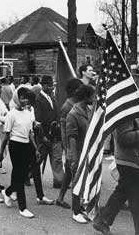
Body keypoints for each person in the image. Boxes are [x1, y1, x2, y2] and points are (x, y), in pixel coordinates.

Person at [93, 75, 139, 235]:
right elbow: (124, 137)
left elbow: (137, 128)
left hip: (132, 158)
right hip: (130, 160)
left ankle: (103, 220)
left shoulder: (134, 107)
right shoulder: (126, 110)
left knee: (122, 191)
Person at [0, 87, 40, 218]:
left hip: (27, 145)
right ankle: (23, 208)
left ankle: (8, 191)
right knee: (19, 175)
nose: (25, 100)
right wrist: (0, 154)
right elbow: (6, 136)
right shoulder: (11, 114)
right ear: (17, 98)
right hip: (15, 146)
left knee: (21, 176)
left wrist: (36, 148)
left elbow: (30, 133)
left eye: (26, 98)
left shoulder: (28, 113)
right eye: (22, 98)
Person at [65, 84, 95, 223]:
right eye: (92, 96)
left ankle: (82, 207)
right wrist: (74, 158)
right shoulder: (73, 113)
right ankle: (75, 211)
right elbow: (71, 136)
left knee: (85, 181)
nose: (94, 98)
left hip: (86, 151)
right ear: (85, 97)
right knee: (76, 181)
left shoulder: (87, 110)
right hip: (77, 152)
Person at [56, 78, 83, 209]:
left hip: (78, 143)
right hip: (71, 144)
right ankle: (78, 204)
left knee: (68, 173)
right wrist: (67, 150)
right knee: (74, 173)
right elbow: (63, 130)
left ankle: (60, 198)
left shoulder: (77, 103)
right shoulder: (68, 106)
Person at [34, 75, 63, 188]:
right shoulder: (38, 99)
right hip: (44, 134)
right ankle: (28, 175)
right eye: (49, 85)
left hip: (55, 133)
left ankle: (59, 180)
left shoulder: (53, 97)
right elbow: (38, 121)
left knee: (57, 158)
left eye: (52, 85)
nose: (51, 87)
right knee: (39, 158)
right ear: (43, 85)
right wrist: (43, 137)